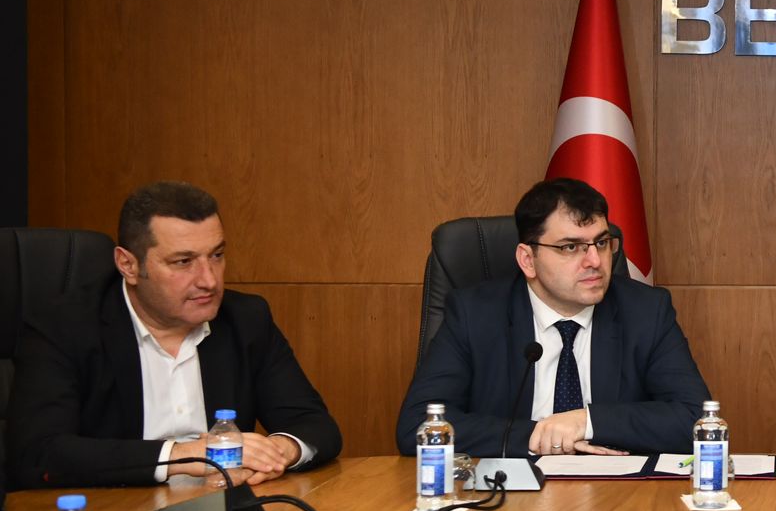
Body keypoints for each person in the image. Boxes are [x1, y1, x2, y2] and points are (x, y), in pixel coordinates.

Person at [6, 182, 342, 489]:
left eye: (217, 255)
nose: (209, 280)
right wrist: (185, 456)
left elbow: (315, 425)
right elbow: (39, 454)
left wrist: (278, 451)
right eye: (183, 262)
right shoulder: (64, 327)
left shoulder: (245, 319)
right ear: (128, 265)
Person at [397, 177, 710, 456]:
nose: (594, 261)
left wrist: (585, 422)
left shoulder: (646, 311)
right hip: (510, 492)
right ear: (527, 260)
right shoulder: (474, 314)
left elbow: (697, 421)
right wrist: (539, 435)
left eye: (601, 243)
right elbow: (418, 426)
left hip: (614, 491)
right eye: (571, 247)